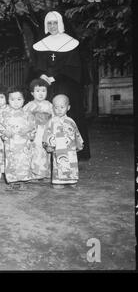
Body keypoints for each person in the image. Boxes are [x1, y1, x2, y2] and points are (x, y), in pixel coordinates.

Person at [31, 10, 90, 160]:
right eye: (49, 23)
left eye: (55, 22)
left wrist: (55, 77)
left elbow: (73, 67)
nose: (52, 26)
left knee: (66, 114)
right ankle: (46, 151)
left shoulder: (71, 43)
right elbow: (36, 65)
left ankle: (72, 151)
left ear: (61, 24)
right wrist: (41, 74)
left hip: (66, 84)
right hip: (47, 87)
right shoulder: (41, 44)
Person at [42, 94, 84, 189]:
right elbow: (47, 134)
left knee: (71, 164)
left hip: (70, 148)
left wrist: (79, 144)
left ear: (68, 107)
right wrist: (47, 145)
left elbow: (76, 133)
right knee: (58, 164)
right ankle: (58, 181)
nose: (59, 110)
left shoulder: (71, 121)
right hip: (58, 148)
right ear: (53, 108)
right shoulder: (51, 122)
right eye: (56, 107)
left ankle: (72, 180)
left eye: (62, 107)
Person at [0, 86, 36, 190]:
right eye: (12, 99)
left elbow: (33, 127)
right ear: (8, 100)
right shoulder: (4, 114)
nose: (16, 102)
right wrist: (5, 132)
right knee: (11, 162)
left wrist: (28, 131)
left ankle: (23, 180)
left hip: (24, 144)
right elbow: (0, 127)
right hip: (11, 144)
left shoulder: (28, 114)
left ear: (24, 100)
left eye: (19, 99)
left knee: (24, 161)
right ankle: (13, 181)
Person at [23, 78, 53, 182]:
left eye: (43, 91)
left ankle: (46, 174)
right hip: (34, 132)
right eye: (38, 91)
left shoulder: (50, 105)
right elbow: (24, 118)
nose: (41, 94)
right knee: (34, 152)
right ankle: (34, 174)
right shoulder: (29, 106)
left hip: (45, 131)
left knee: (46, 152)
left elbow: (54, 118)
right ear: (32, 93)